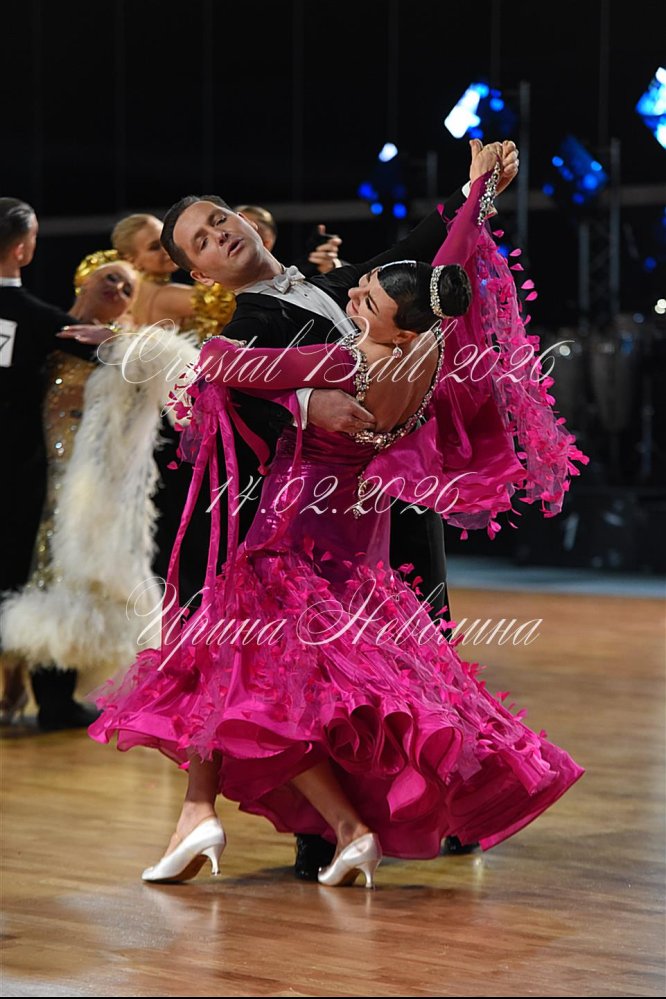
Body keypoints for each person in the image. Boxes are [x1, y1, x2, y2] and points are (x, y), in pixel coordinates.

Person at [87, 157, 585, 888]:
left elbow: (411, 256)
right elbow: (244, 388)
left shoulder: (336, 292)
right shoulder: (262, 318)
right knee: (321, 667)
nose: (219, 235)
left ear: (245, 221)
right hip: (323, 514)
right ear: (201, 274)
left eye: (219, 220)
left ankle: (422, 808)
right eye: (202, 240)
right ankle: (323, 832)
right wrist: (303, 404)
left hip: (385, 504)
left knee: (403, 659)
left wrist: (472, 192)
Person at [0, 250, 200, 730]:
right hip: (28, 479)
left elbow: (181, 378)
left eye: (129, 288)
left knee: (64, 582)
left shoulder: (125, 351)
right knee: (24, 578)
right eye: (111, 278)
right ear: (84, 279)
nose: (119, 290)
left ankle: (56, 700)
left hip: (86, 493)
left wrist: (120, 341)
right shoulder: (44, 331)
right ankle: (17, 686)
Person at [0, 198, 101, 725]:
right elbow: (109, 352)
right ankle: (55, 701)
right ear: (22, 248)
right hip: (21, 476)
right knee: (41, 574)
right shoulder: (37, 318)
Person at [111, 213, 236, 339]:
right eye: (154, 247)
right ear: (131, 259)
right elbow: (231, 304)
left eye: (166, 239)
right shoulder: (166, 296)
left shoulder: (130, 295)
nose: (167, 249)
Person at [233, 204, 344, 277]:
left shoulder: (293, 281)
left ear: (267, 242)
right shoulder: (222, 282)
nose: (231, 237)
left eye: (244, 230)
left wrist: (329, 267)